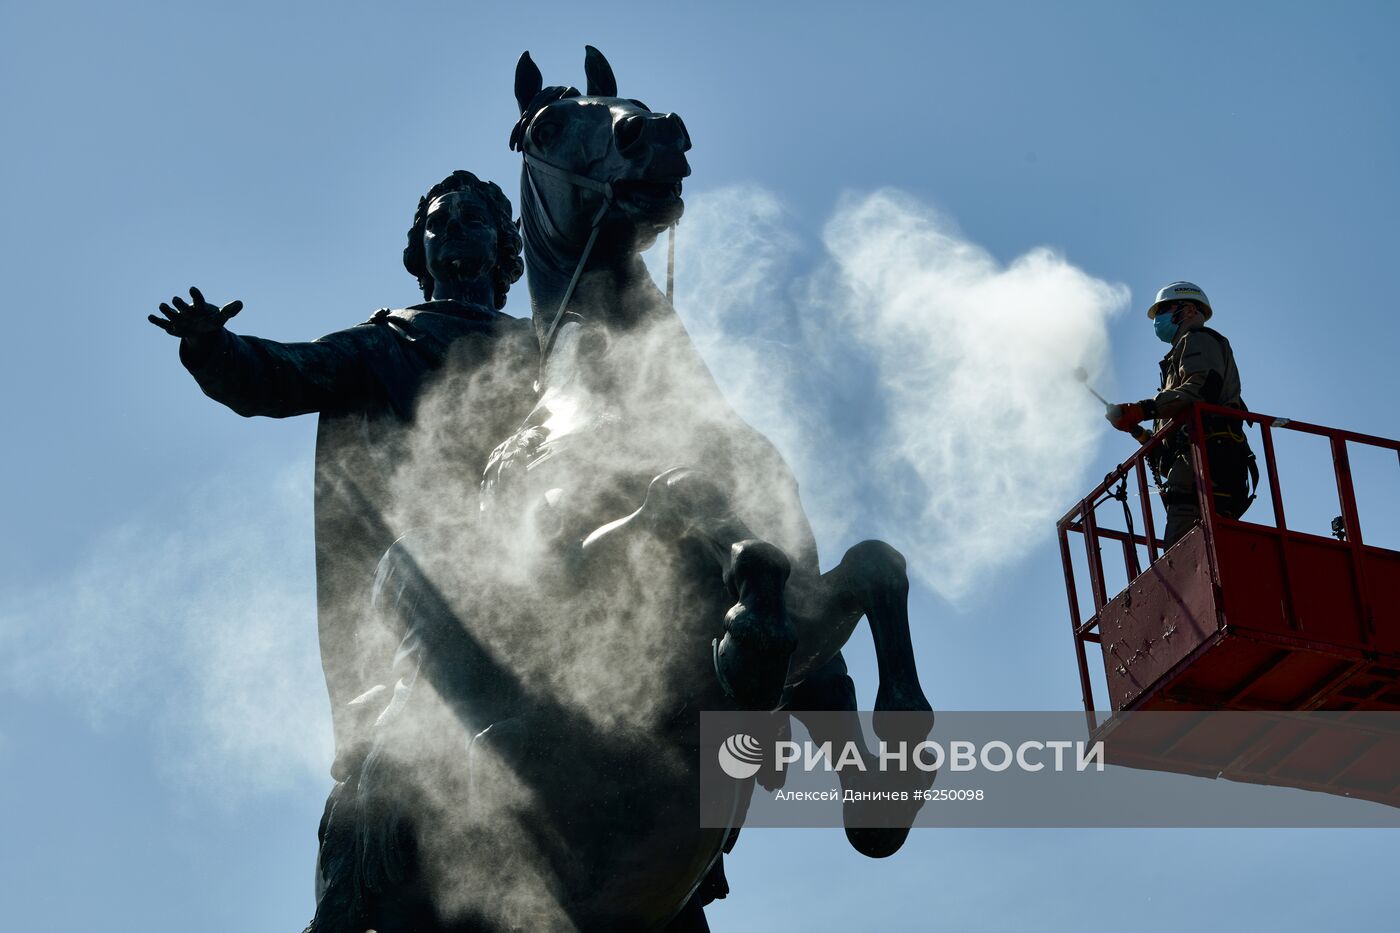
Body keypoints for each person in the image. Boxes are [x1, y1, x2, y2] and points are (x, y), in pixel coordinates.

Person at [149, 170, 537, 777]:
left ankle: (739, 803)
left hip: (544, 532)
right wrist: (214, 348)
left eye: (472, 220)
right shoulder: (385, 343)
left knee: (709, 559)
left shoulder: (552, 345)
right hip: (442, 562)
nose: (454, 230)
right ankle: (496, 761)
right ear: (422, 252)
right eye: (439, 223)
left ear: (503, 247)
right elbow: (282, 375)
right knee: (426, 562)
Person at [1106, 281, 1255, 549]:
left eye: (1164, 309)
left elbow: (1200, 391)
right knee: (1186, 553)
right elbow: (1171, 446)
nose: (1158, 319)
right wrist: (1139, 432)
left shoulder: (1198, 340)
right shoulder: (1177, 357)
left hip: (1209, 467)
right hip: (1193, 475)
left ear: (1187, 310)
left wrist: (1143, 409)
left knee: (1183, 560)